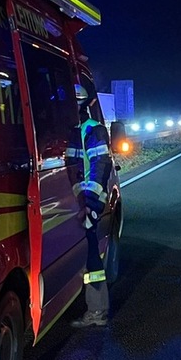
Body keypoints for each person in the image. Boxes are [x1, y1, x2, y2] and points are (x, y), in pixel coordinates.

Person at [66, 82, 113, 328]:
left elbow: (99, 168)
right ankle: (96, 309)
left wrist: (90, 204)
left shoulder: (92, 130)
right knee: (88, 254)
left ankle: (97, 311)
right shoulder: (77, 130)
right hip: (80, 203)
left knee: (92, 257)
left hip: (88, 204)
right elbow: (73, 170)